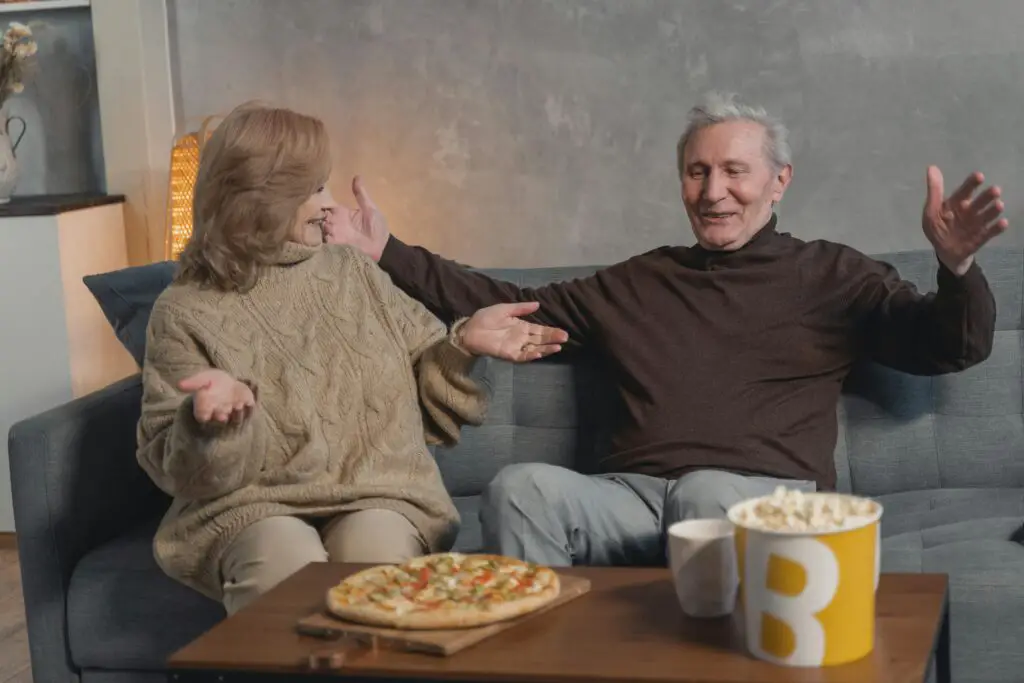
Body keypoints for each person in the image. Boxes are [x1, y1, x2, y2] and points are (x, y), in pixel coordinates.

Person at [325, 91, 1006, 567]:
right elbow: (507, 302)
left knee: (707, 490)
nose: (713, 192)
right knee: (520, 488)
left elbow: (951, 344)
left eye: (735, 171)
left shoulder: (832, 274)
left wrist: (957, 265)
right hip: (631, 498)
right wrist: (388, 251)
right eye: (697, 171)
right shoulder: (638, 282)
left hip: (762, 500)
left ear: (779, 181)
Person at [136, 102, 568, 613]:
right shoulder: (183, 309)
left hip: (378, 491)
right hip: (251, 506)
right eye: (316, 189)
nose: (330, 204)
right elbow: (180, 467)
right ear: (266, 199)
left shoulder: (351, 272)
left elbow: (425, 366)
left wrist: (462, 343)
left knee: (375, 559)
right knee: (280, 566)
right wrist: (213, 424)